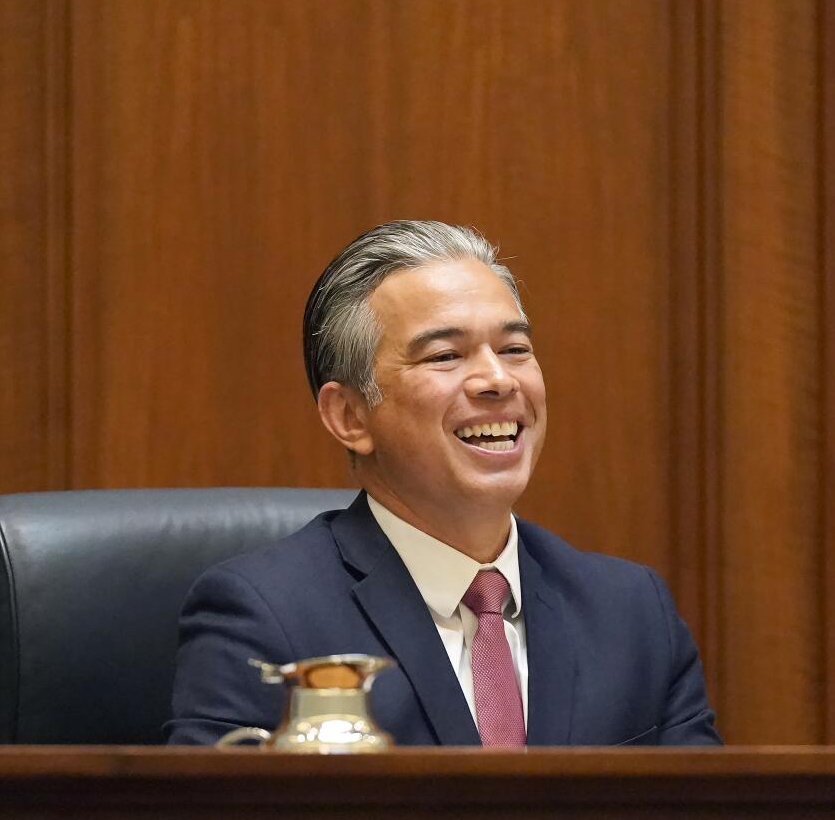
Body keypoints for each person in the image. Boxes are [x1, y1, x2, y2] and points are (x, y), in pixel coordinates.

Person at [166, 220, 720, 746]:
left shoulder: (631, 612)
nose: (498, 380)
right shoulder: (264, 618)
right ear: (351, 417)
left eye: (514, 349)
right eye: (446, 355)